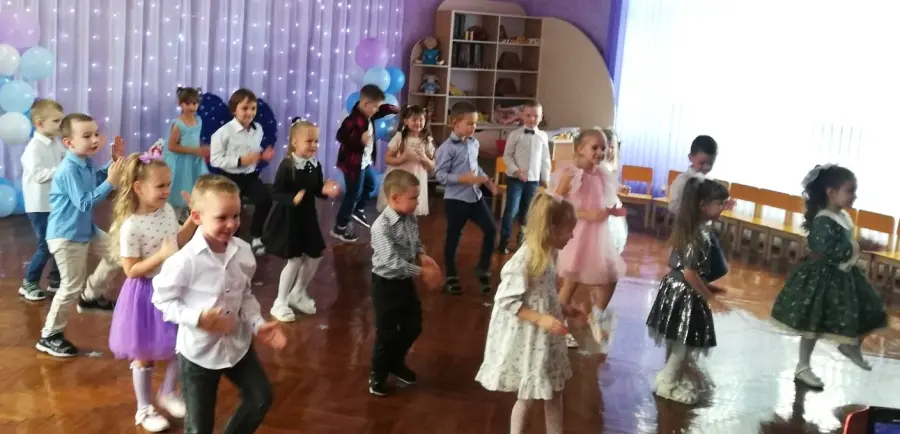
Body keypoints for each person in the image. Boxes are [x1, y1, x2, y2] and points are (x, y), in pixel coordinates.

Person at [152, 174, 287, 434]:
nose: (231, 224)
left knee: (260, 398)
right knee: (199, 427)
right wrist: (197, 318)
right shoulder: (184, 261)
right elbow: (162, 299)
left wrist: (258, 324)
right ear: (197, 217)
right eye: (221, 217)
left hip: (237, 346)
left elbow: (244, 294)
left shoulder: (243, 252)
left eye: (236, 215)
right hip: (198, 355)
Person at [106, 146, 199, 432]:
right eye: (160, 186)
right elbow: (131, 270)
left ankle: (168, 391)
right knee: (144, 353)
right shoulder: (131, 227)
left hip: (172, 287)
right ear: (138, 188)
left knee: (181, 344)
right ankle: (144, 409)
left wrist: (192, 221)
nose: (167, 191)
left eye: (168, 185)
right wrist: (160, 256)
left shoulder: (167, 211)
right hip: (145, 295)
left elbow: (176, 241)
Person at [770, 164, 887, 389]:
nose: (854, 196)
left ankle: (850, 345)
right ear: (831, 192)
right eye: (850, 191)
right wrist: (858, 245)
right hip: (822, 278)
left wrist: (861, 243)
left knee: (871, 308)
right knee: (813, 322)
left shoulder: (841, 215)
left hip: (843, 275)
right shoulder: (823, 219)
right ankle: (803, 365)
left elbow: (844, 242)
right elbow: (828, 249)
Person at [475, 192, 583, 434]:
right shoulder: (525, 259)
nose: (572, 236)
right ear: (551, 229)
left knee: (555, 390)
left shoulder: (549, 252)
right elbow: (506, 300)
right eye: (568, 231)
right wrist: (541, 318)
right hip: (531, 340)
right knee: (527, 396)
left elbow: (545, 294)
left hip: (547, 339)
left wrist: (564, 308)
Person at [36, 114, 125, 358]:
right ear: (68, 143)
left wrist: (113, 163)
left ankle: (91, 296)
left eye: (96, 134)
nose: (95, 139)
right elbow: (85, 202)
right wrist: (111, 182)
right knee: (70, 286)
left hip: (85, 230)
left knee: (119, 254)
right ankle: (49, 335)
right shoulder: (67, 169)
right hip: (66, 236)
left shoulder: (85, 162)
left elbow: (96, 180)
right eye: (87, 136)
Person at [646, 175, 731, 405]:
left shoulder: (694, 229)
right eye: (720, 203)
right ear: (703, 206)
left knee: (680, 341)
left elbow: (685, 268)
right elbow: (689, 273)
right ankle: (667, 384)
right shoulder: (697, 235)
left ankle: (668, 377)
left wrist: (708, 287)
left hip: (677, 289)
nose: (723, 207)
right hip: (684, 294)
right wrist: (709, 298)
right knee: (684, 343)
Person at [368, 170, 442, 396]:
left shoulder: (410, 217)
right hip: (385, 285)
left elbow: (415, 242)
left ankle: (395, 362)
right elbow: (391, 262)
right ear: (394, 197)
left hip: (403, 282)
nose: (417, 202)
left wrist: (422, 255)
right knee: (387, 333)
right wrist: (422, 272)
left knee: (413, 326)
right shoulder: (381, 227)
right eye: (413, 198)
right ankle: (378, 374)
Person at [551, 129, 626, 350]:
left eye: (604, 148)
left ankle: (597, 315)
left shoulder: (601, 173)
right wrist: (585, 214)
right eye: (595, 147)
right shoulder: (572, 174)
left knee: (610, 275)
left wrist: (610, 210)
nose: (600, 152)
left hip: (599, 236)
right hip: (577, 234)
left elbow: (603, 198)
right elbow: (556, 203)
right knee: (571, 281)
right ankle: (558, 326)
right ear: (580, 148)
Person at [262, 119, 341, 322]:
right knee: (295, 260)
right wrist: (292, 198)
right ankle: (280, 301)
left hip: (307, 216)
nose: (314, 145)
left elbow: (315, 188)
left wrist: (325, 190)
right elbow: (276, 192)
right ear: (295, 142)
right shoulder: (287, 166)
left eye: (316, 141)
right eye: (309, 141)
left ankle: (298, 292)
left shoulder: (315, 164)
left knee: (315, 255)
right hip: (289, 218)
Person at [434, 101, 499, 294]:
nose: (474, 127)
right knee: (454, 236)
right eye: (469, 123)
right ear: (455, 123)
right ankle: (451, 276)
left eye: (475, 123)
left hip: (475, 197)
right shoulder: (446, 148)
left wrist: (487, 182)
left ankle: (483, 269)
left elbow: (475, 167)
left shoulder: (474, 143)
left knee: (491, 230)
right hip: (455, 200)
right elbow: (440, 176)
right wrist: (464, 179)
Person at [209, 88, 275, 256]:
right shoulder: (223, 132)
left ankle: (256, 235)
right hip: (229, 178)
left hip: (250, 176)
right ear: (234, 110)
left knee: (265, 200)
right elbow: (215, 159)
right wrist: (239, 161)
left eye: (253, 108)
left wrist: (262, 156)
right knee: (232, 209)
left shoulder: (258, 129)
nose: (249, 112)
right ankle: (232, 239)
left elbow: (254, 150)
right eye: (245, 108)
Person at [331, 84, 399, 242]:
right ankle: (340, 227)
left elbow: (381, 110)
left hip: (364, 161)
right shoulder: (353, 120)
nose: (377, 110)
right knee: (352, 194)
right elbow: (340, 135)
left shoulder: (369, 113)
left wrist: (393, 109)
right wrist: (358, 139)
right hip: (353, 163)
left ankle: (358, 209)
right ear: (366, 103)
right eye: (375, 106)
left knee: (370, 184)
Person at [19, 98, 66, 301]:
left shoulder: (56, 143)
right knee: (46, 245)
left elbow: (65, 159)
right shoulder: (34, 148)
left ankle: (55, 280)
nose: (61, 125)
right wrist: (63, 169)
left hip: (55, 203)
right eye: (56, 121)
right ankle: (29, 282)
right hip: (39, 205)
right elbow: (39, 175)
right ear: (40, 123)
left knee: (59, 241)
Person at [667, 135, 729, 281]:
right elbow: (673, 206)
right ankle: (686, 284)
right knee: (684, 265)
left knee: (713, 266)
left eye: (710, 164)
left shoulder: (708, 181)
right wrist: (693, 210)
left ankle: (697, 284)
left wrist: (721, 203)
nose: (706, 167)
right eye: (702, 163)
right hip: (687, 230)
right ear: (690, 158)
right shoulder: (682, 181)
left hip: (704, 230)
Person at [498, 100, 551, 255]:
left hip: (533, 181)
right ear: (522, 115)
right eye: (528, 115)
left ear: (541, 117)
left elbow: (545, 159)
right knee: (511, 210)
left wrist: (545, 178)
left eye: (536, 116)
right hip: (515, 179)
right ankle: (503, 241)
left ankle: (521, 244)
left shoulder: (543, 136)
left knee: (527, 212)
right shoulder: (515, 135)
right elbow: (507, 156)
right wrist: (515, 170)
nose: (532, 119)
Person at [378, 105, 435, 216]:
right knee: (398, 207)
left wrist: (425, 159)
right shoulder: (400, 138)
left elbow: (431, 166)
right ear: (405, 121)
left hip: (417, 178)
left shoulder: (426, 141)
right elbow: (387, 159)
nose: (418, 123)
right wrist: (402, 158)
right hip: (400, 179)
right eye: (414, 119)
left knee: (411, 207)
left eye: (421, 119)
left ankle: (408, 226)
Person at [164, 86, 209, 221]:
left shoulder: (198, 120)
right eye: (187, 103)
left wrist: (201, 149)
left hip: (194, 161)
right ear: (180, 104)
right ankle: (173, 216)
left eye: (194, 103)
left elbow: (195, 139)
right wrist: (194, 150)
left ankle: (187, 214)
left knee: (194, 187)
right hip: (181, 162)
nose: (191, 106)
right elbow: (172, 146)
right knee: (180, 188)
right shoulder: (178, 124)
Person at [601, 127, 629, 254]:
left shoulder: (612, 165)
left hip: (611, 201)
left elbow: (612, 183)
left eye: (613, 147)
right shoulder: (597, 165)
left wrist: (620, 188)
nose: (611, 150)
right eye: (608, 147)